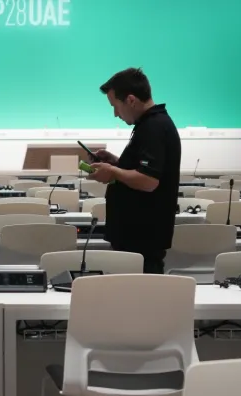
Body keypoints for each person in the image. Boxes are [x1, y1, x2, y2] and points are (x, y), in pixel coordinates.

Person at [87, 68, 181, 275]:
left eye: (115, 106)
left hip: (141, 242)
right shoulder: (152, 124)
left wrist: (112, 171)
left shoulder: (153, 127)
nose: (115, 114)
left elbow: (149, 180)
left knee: (138, 303)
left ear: (130, 100)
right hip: (139, 240)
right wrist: (116, 162)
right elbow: (147, 170)